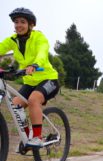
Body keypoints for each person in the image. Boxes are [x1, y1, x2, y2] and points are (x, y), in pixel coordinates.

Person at [0, 8, 59, 147]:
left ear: (31, 25)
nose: (18, 25)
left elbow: (42, 52)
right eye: (16, 22)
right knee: (15, 105)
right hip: (30, 81)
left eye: (22, 22)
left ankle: (37, 137)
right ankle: (27, 139)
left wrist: (35, 64)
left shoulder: (39, 37)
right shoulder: (12, 41)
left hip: (48, 79)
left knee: (33, 100)